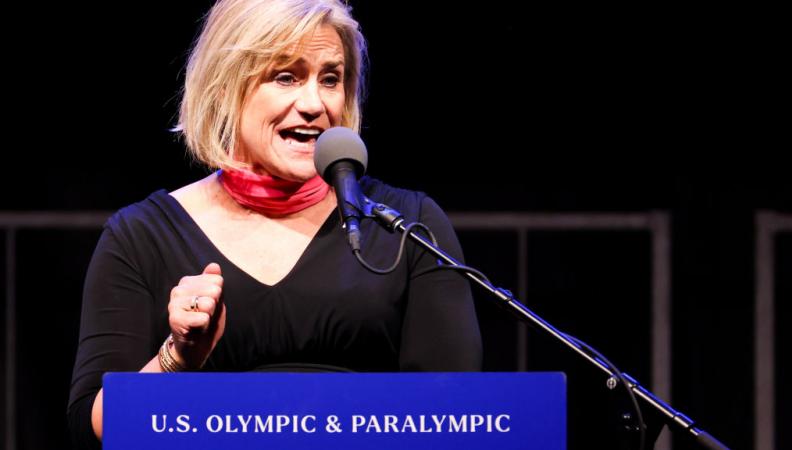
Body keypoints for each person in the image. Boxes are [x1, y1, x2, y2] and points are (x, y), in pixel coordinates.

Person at [68, 0, 482, 448]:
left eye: (330, 79)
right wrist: (178, 358)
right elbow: (95, 431)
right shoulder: (141, 237)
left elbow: (456, 418)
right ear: (227, 86)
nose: (313, 103)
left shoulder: (407, 227)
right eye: (286, 76)